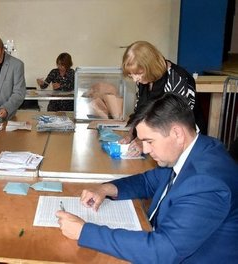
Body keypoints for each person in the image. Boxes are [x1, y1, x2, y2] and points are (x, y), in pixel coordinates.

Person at [56, 93, 238, 263]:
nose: (145, 150)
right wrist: (105, 189)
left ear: (177, 134)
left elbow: (164, 251)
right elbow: (147, 181)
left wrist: (84, 232)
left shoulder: (206, 183)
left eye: (149, 141)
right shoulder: (194, 150)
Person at [119, 40, 206, 157]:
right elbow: (140, 112)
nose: (135, 79)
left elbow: (172, 124)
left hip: (183, 147)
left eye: (138, 73)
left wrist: (143, 141)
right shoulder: (145, 79)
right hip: (156, 142)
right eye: (131, 74)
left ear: (150, 66)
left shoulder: (178, 79)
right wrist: (131, 134)